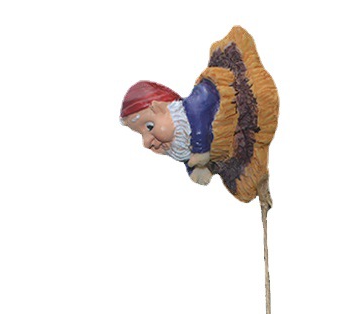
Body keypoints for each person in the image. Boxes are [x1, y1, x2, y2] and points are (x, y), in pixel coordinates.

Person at [119, 26, 278, 203]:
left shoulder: (195, 102)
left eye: (149, 127)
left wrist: (201, 151)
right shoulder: (180, 141)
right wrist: (195, 168)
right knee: (244, 188)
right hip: (233, 151)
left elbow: (200, 109)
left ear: (161, 108)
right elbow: (188, 156)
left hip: (251, 107)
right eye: (141, 134)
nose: (146, 142)